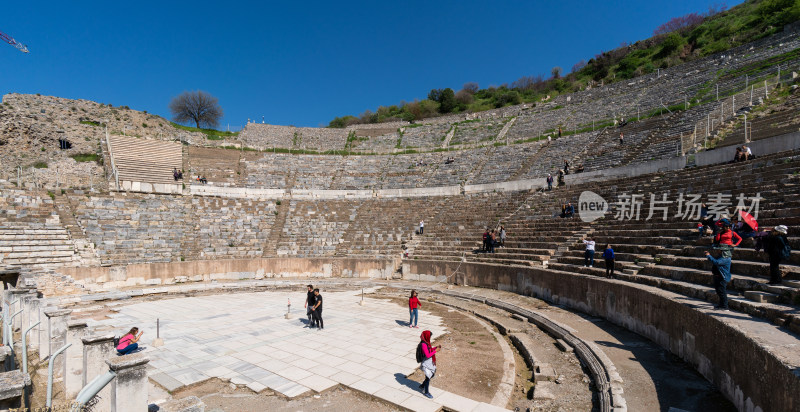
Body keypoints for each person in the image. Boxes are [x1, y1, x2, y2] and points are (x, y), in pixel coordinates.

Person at [705, 219, 741, 311]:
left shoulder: (725, 258)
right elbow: (717, 239)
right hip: (718, 275)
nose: (718, 250)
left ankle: (725, 306)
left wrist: (709, 256)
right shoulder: (721, 234)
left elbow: (717, 262)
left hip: (722, 277)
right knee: (719, 291)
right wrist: (719, 234)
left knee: (722, 292)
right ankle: (721, 305)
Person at [417, 330, 441, 399]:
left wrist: (435, 348)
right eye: (429, 336)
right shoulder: (423, 344)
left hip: (429, 362)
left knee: (432, 374)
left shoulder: (426, 342)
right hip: (426, 363)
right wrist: (435, 351)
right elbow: (427, 355)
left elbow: (429, 350)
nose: (430, 337)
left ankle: (422, 386)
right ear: (427, 336)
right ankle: (426, 392)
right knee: (428, 377)